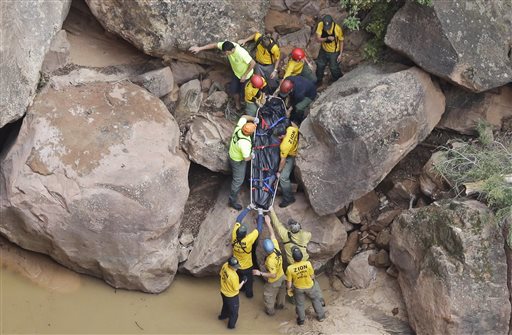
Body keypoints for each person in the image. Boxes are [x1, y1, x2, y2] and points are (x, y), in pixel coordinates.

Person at [269, 207, 325, 305]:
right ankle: (319, 299)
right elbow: (309, 234)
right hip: (305, 263)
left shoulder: (285, 234)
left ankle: (294, 300)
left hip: (293, 265)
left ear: (289, 229)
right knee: (312, 281)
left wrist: (271, 210)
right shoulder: (305, 235)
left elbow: (277, 224)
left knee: (294, 282)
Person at [189, 41, 256, 110]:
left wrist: (245, 75)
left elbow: (253, 63)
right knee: (234, 90)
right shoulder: (226, 45)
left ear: (232, 50)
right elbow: (214, 45)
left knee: (245, 93)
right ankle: (237, 105)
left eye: (227, 52)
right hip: (236, 74)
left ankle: (246, 107)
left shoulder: (241, 53)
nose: (226, 54)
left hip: (247, 76)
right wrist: (200, 48)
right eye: (225, 52)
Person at [252, 215, 286, 315]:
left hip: (274, 280)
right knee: (281, 293)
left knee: (268, 296)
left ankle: (270, 313)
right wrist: (268, 223)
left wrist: (260, 273)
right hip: (282, 276)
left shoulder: (271, 260)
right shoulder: (276, 248)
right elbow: (273, 235)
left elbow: (273, 275)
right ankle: (280, 306)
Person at [286, 247, 325, 325]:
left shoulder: (290, 268)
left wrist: (289, 289)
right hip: (310, 287)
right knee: (315, 300)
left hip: (298, 288)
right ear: (302, 256)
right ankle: (321, 317)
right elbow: (312, 276)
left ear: (293, 258)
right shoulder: (308, 264)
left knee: (300, 305)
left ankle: (301, 320)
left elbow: (289, 283)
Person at [232, 206, 264, 298]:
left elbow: (238, 220)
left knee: (240, 279)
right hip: (247, 267)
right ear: (245, 234)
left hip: (236, 266)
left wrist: (248, 208)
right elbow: (259, 228)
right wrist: (260, 213)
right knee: (249, 283)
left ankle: (241, 289)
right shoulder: (248, 240)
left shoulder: (234, 235)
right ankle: (249, 296)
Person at [228, 115, 258, 210]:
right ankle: (232, 201)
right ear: (249, 133)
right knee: (238, 181)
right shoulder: (244, 144)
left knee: (242, 174)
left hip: (232, 153)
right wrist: (252, 155)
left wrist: (254, 119)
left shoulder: (239, 128)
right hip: (238, 161)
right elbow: (246, 159)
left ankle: (247, 179)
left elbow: (244, 116)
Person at [274, 121, 299, 208]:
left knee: (283, 178)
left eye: (278, 136)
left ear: (282, 136)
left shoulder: (284, 146)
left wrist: (279, 171)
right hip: (293, 147)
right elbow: (296, 126)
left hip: (291, 155)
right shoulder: (291, 129)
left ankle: (289, 198)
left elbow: (283, 160)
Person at [219, 256, 247, 329]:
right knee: (234, 313)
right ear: (231, 266)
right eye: (235, 267)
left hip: (223, 292)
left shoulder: (225, 265)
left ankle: (222, 317)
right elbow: (237, 288)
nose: (237, 268)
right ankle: (230, 327)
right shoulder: (234, 276)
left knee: (225, 305)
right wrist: (243, 281)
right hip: (231, 296)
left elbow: (221, 274)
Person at [315, 15, 344, 85]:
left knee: (334, 68)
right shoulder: (321, 25)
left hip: (334, 52)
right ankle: (318, 81)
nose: (327, 29)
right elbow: (318, 39)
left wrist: (340, 54)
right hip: (323, 50)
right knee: (320, 65)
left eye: (328, 27)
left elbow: (341, 41)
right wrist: (327, 38)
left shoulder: (337, 29)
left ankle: (339, 80)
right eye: (326, 28)